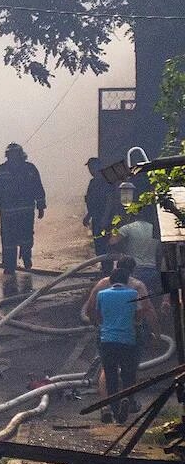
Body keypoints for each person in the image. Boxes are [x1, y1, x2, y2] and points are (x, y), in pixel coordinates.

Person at [85, 256, 159, 425]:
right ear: (131, 272)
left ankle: (112, 407)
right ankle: (129, 399)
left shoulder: (102, 288)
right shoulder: (136, 288)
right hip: (130, 336)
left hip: (106, 337)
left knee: (109, 372)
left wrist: (99, 322)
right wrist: (156, 332)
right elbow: (145, 310)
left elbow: (90, 309)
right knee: (129, 371)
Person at [0, 142, 46, 274]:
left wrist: (41, 206)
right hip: (8, 213)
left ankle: (26, 258)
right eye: (11, 154)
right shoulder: (1, 170)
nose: (13, 157)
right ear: (7, 155)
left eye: (16, 154)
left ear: (21, 155)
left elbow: (38, 187)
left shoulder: (30, 169)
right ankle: (9, 265)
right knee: (8, 240)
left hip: (26, 211)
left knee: (26, 237)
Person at [109, 209, 161, 295]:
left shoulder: (128, 228)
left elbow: (112, 241)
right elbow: (159, 250)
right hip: (152, 270)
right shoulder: (155, 229)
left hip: (134, 271)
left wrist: (113, 229)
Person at [83, 157, 119, 275]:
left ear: (97, 166)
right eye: (89, 168)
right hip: (96, 218)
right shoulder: (93, 182)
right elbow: (91, 201)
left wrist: (105, 218)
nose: (90, 170)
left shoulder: (106, 180)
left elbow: (110, 200)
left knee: (105, 244)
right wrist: (88, 216)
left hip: (105, 219)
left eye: (91, 167)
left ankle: (108, 271)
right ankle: (104, 270)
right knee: (98, 244)